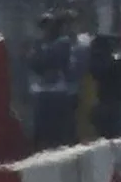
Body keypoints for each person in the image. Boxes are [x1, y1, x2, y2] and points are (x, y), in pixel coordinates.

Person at [23, 12, 82, 154]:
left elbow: (53, 60)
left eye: (49, 26)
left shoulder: (63, 43)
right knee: (40, 131)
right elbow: (33, 63)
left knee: (59, 132)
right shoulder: (37, 44)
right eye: (43, 27)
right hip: (41, 92)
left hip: (58, 92)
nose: (46, 30)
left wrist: (42, 59)